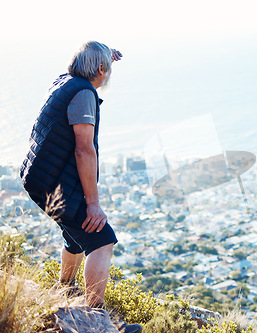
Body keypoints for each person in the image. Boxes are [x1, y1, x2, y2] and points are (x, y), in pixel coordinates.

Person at [20, 41, 142, 333]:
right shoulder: (85, 94)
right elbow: (84, 151)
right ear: (100, 69)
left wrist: (104, 57)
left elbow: (85, 67)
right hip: (53, 181)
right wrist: (93, 203)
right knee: (101, 240)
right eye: (106, 68)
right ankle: (95, 321)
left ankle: (65, 288)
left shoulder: (64, 81)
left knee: (75, 235)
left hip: (37, 174)